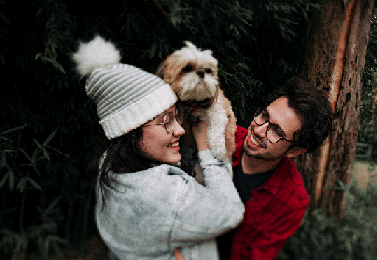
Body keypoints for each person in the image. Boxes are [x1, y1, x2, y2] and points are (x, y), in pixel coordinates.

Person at [72, 35, 244, 260]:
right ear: (130, 131)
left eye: (177, 117)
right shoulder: (169, 197)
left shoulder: (111, 165)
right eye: (166, 121)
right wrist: (207, 149)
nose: (180, 130)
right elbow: (230, 211)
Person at [216, 76, 333, 260]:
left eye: (276, 131)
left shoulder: (291, 199)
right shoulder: (222, 135)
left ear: (294, 151)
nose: (258, 130)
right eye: (264, 115)